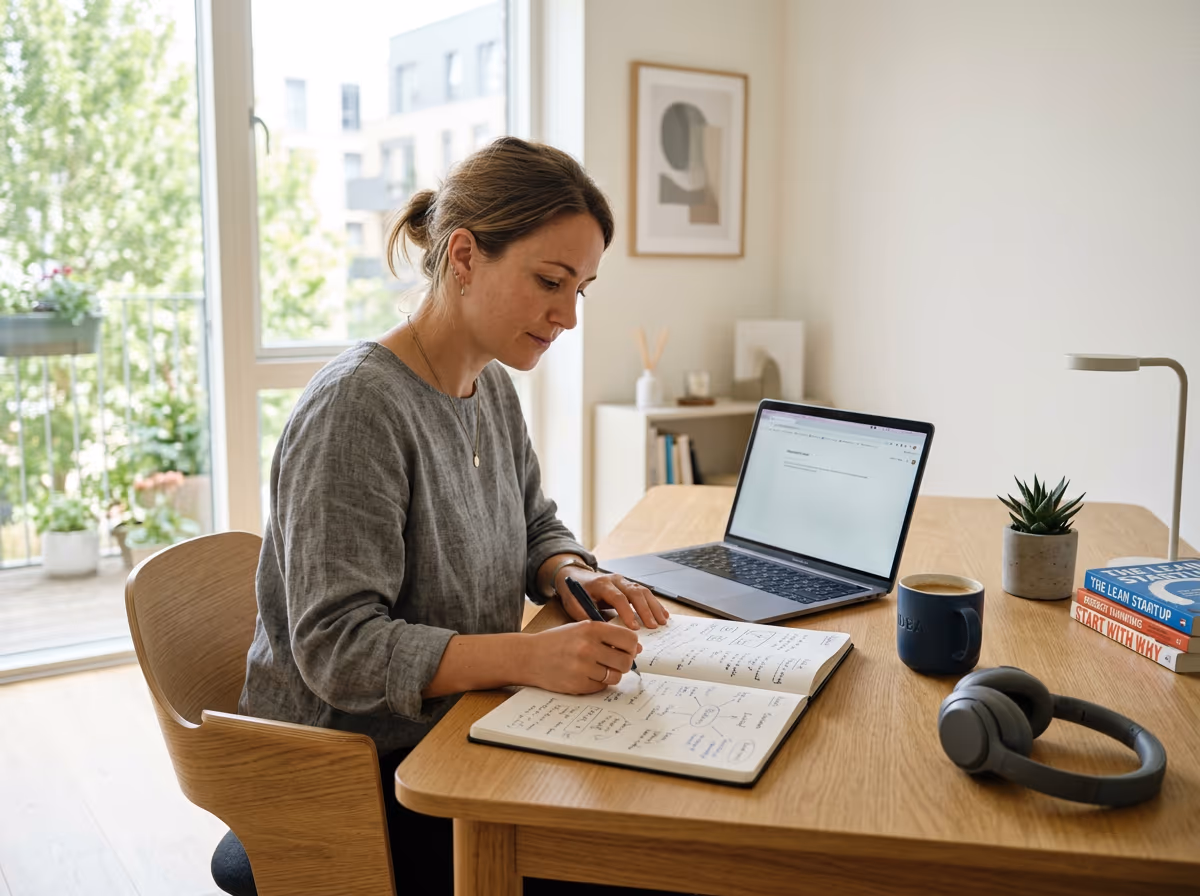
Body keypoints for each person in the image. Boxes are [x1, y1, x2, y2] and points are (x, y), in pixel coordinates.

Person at [240, 136, 672, 895]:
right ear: (464, 256)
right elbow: (338, 648)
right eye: (550, 281)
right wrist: (527, 656)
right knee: (633, 861)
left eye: (582, 288)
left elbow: (536, 520)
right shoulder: (357, 409)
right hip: (351, 780)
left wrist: (568, 572)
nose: (568, 316)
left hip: (458, 730)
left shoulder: (490, 384)